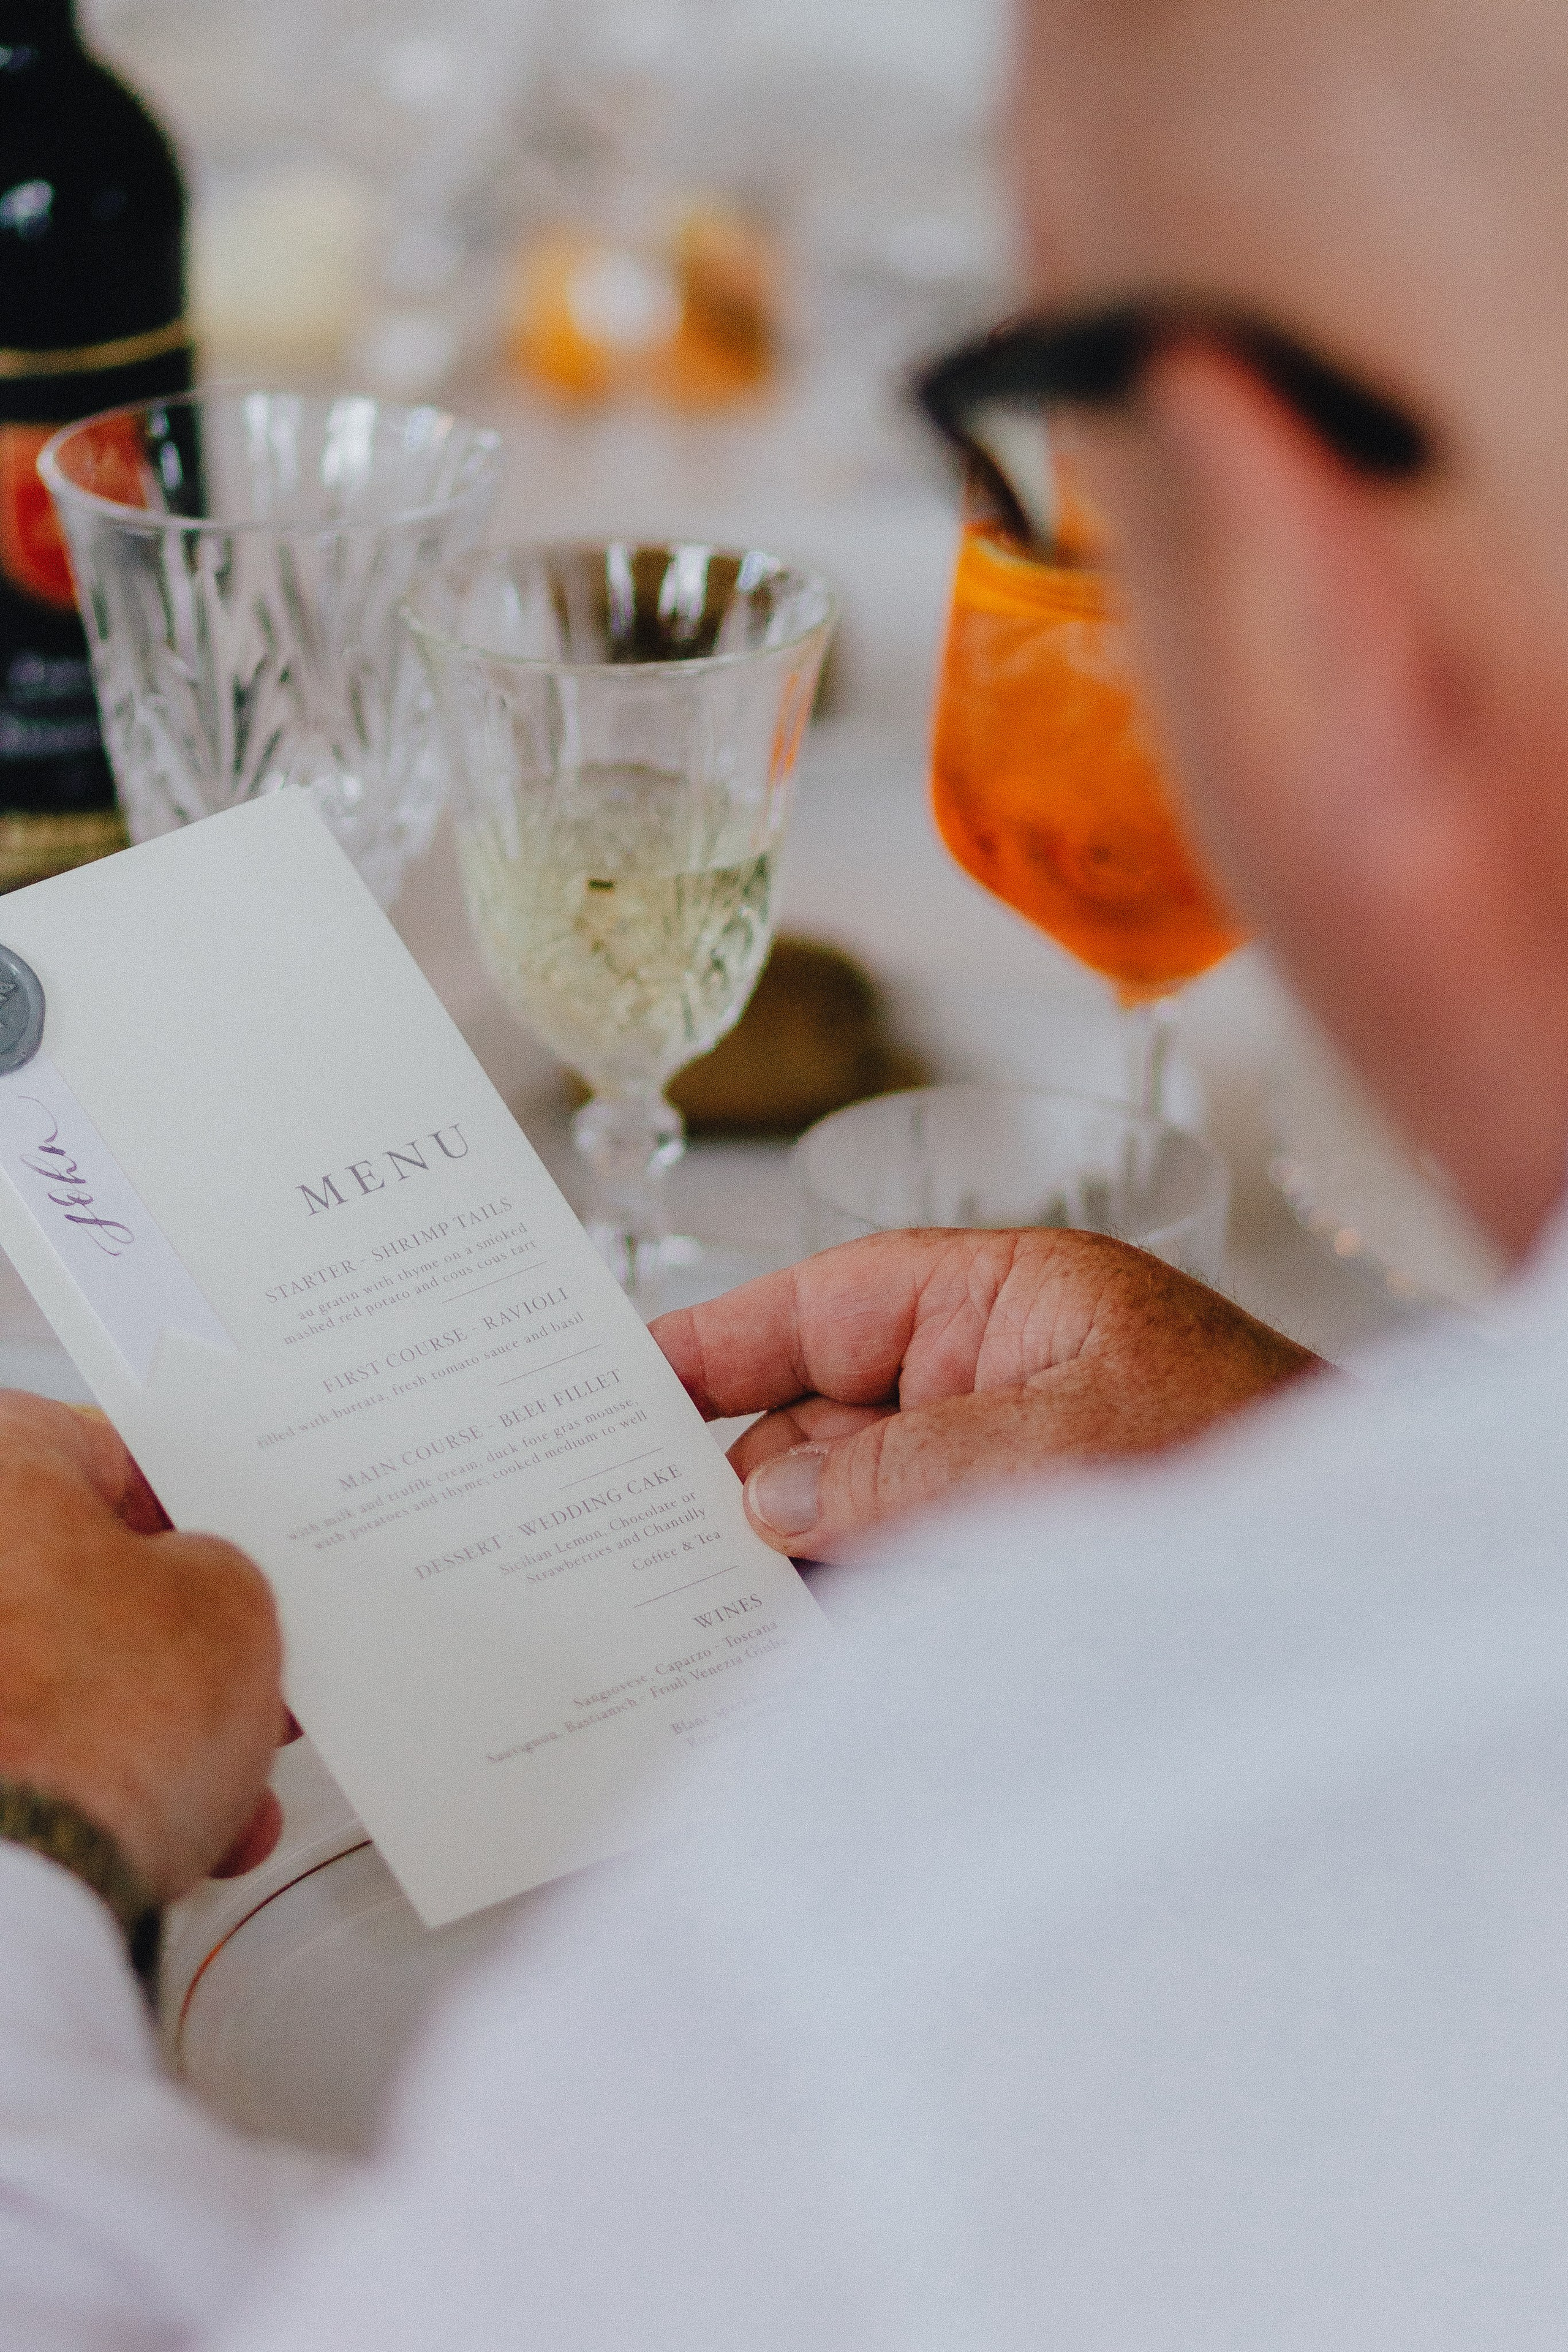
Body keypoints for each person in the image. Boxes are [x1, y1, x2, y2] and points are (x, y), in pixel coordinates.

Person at [8, 0, 1568, 2340]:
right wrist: (1320, 1474)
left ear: (1290, 568)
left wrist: (26, 1822)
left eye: (1034, 420)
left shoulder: (946, 1960)